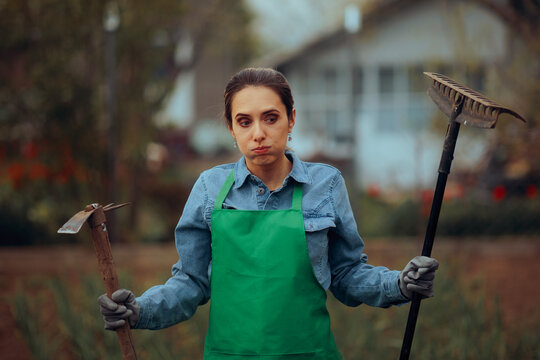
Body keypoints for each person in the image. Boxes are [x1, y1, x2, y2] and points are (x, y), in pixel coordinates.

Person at [98, 67, 439, 359]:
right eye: (244, 122)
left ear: (292, 118)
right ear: (231, 129)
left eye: (270, 118)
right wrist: (139, 310)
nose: (258, 133)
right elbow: (190, 283)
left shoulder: (327, 184)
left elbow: (347, 274)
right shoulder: (209, 188)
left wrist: (400, 284)